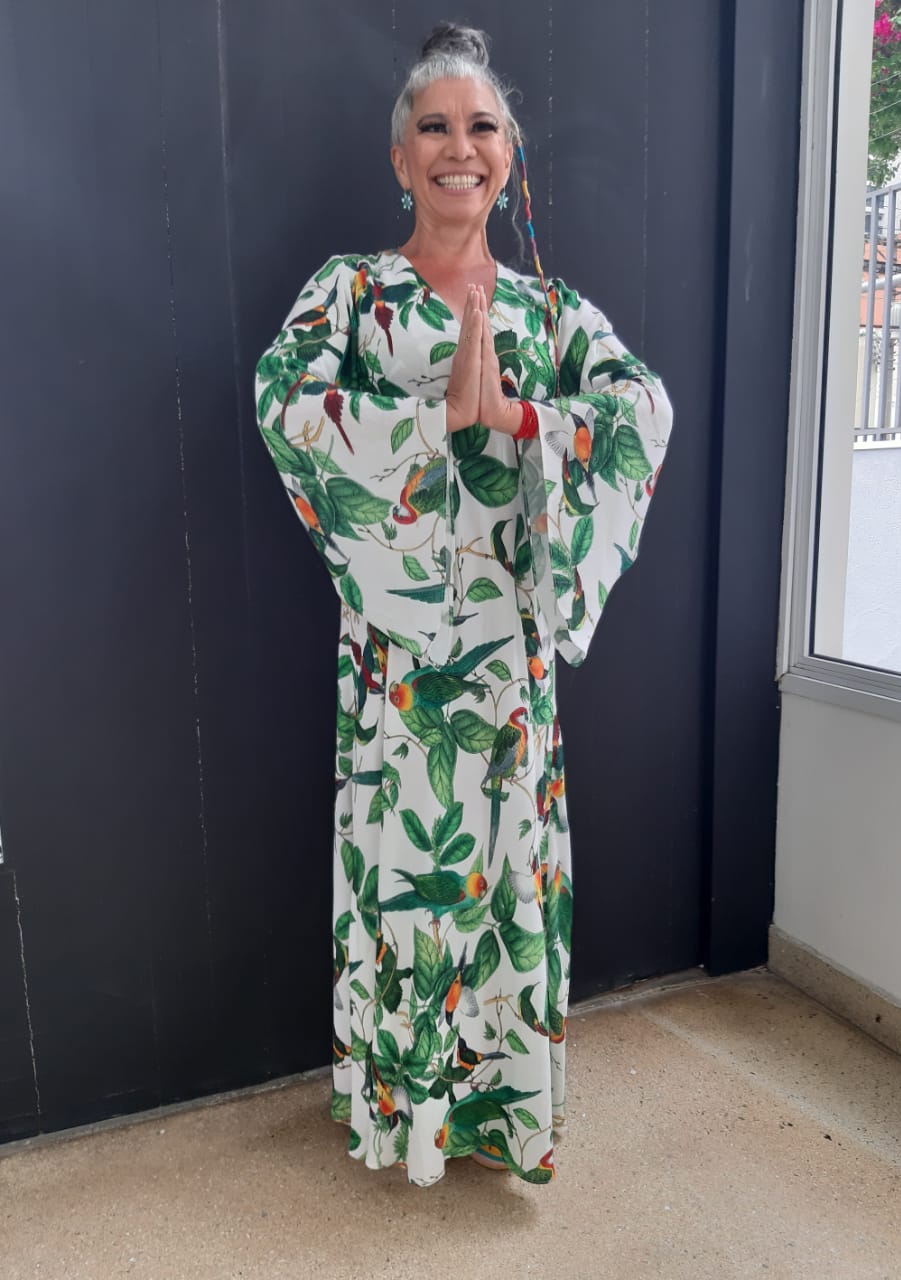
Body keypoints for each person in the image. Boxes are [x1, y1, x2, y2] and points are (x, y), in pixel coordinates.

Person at [254, 22, 673, 1187]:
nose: (458, 146)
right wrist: (427, 418)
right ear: (400, 158)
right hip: (399, 657)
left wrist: (514, 416)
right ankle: (406, 1115)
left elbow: (640, 410)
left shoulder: (548, 311)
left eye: (480, 126)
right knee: (411, 882)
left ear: (507, 154)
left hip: (506, 649)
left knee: (500, 879)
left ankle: (498, 1114)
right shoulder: (351, 292)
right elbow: (284, 401)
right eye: (432, 127)